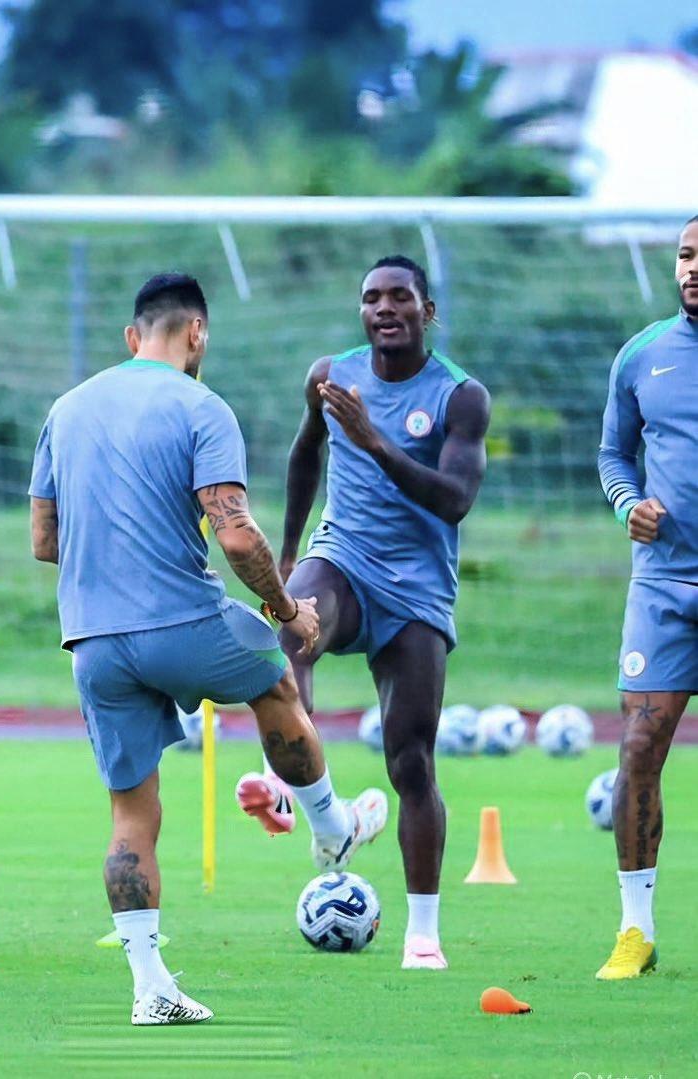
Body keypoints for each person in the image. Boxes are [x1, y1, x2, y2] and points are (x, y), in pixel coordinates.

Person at [29, 273, 386, 1026]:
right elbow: (235, 532)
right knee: (277, 682)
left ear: (133, 337)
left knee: (132, 814)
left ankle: (150, 984)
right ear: (196, 334)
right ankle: (329, 827)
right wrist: (289, 609)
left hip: (92, 638)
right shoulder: (201, 406)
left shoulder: (65, 410)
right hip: (183, 622)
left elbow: (44, 541)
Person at [238, 256, 490, 971]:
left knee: (411, 760)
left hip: (416, 590)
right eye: (372, 298)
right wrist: (286, 554)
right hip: (342, 557)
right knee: (290, 627)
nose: (385, 308)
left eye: (399, 297)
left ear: (426, 311)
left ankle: (423, 933)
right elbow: (302, 456)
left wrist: (376, 441)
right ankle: (293, 791)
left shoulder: (461, 396)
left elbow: (454, 498)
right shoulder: (332, 373)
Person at [594, 214, 698, 981]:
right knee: (636, 749)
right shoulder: (643, 355)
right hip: (662, 585)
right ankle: (636, 929)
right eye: (688, 255)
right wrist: (628, 501)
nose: (693, 268)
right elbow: (612, 454)